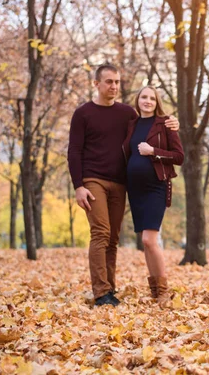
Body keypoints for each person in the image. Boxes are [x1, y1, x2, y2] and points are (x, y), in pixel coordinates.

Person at [67, 64, 179, 307]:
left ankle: (110, 289)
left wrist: (172, 124)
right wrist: (79, 186)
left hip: (120, 183)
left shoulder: (127, 114)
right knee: (101, 233)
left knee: (113, 238)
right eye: (108, 82)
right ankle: (101, 292)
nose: (114, 86)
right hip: (93, 180)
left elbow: (150, 126)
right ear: (96, 84)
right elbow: (74, 151)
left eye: (117, 82)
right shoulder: (83, 113)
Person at [122, 85, 184, 303]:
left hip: (156, 186)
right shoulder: (131, 124)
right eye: (144, 97)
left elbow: (179, 156)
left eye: (152, 98)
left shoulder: (165, 123)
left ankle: (164, 292)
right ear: (138, 100)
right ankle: (155, 292)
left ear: (157, 102)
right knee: (144, 241)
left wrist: (153, 152)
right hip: (135, 189)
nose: (147, 101)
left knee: (150, 239)